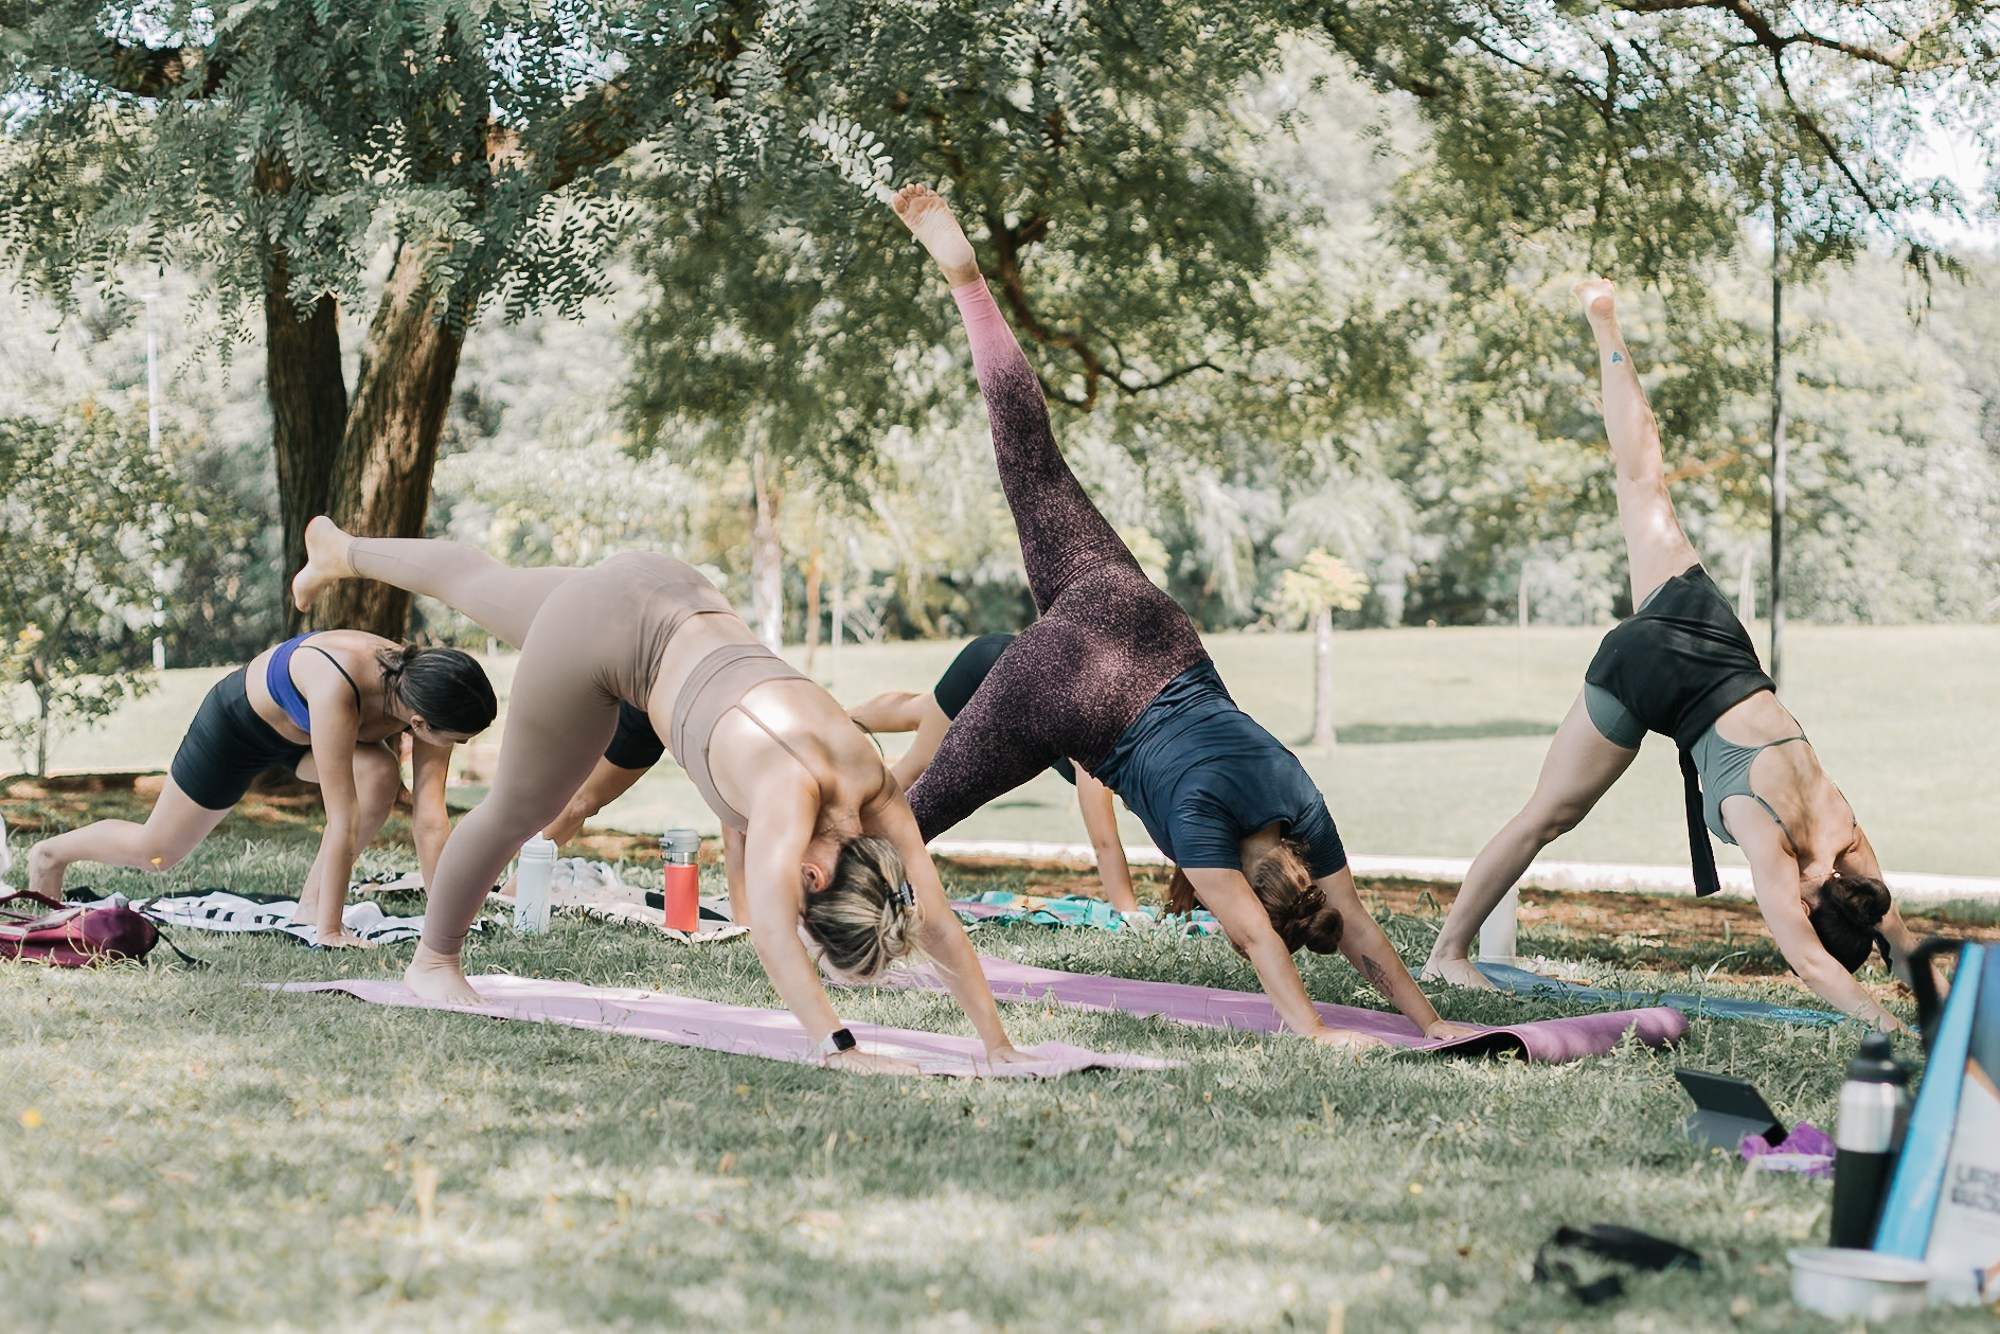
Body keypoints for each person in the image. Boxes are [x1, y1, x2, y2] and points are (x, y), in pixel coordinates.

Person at [888, 184, 1468, 1051]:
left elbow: (1354, 927)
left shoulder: (1300, 803)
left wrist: (1431, 1020)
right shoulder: (1204, 832)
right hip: (1069, 691)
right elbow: (1257, 939)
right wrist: (1315, 1029)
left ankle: (969, 285)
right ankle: (810, 883)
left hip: (1138, 619)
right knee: (911, 817)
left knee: (1033, 461)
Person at [290, 519, 1033, 1073]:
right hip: (611, 641)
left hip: (667, 586)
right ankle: (433, 961)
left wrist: (997, 1044)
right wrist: (837, 1047)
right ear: (812, 877)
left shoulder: (871, 783)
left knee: (478, 580)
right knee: (519, 811)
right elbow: (773, 934)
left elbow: (935, 921)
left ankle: (342, 550)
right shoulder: (791, 795)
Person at [1420, 279, 1924, 1031]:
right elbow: (1809, 959)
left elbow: (1896, 936)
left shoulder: (1845, 832)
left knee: (1643, 481)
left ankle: (1605, 324)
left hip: (1704, 629)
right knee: (1546, 817)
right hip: (1652, 673)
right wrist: (1887, 1026)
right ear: (1810, 903)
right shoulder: (1772, 842)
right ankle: (1445, 953)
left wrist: (1937, 1004)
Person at [27, 633, 496, 946]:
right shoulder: (340, 686)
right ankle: (49, 854)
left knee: (378, 772)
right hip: (239, 728)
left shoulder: (434, 695)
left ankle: (311, 907)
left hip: (301, 736)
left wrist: (447, 928)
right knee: (157, 852)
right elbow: (341, 818)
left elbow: (430, 820)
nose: (462, 747)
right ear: (419, 722)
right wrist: (332, 932)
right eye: (459, 740)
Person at [848, 633, 1140, 912]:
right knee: (917, 769)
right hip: (990, 666)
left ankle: (833, 718)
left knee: (923, 711)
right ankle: (847, 823)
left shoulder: (1127, 750)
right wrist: (1129, 914)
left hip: (999, 660)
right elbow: (1104, 843)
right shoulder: (1102, 755)